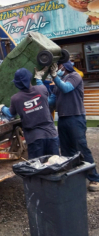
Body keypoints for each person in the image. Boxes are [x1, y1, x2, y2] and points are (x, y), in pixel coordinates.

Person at [49, 61, 99, 192]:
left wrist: (55, 77)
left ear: (64, 67)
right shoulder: (57, 82)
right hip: (63, 118)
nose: (56, 69)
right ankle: (72, 177)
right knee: (66, 150)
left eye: (58, 66)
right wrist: (36, 92)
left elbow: (66, 88)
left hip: (76, 117)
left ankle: (94, 178)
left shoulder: (75, 76)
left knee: (81, 148)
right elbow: (52, 101)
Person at [0, 67, 59, 159]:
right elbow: (43, 93)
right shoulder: (42, 89)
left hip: (35, 139)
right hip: (51, 135)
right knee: (55, 166)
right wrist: (38, 78)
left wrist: (2, 108)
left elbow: (11, 114)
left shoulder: (16, 98)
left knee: (38, 168)